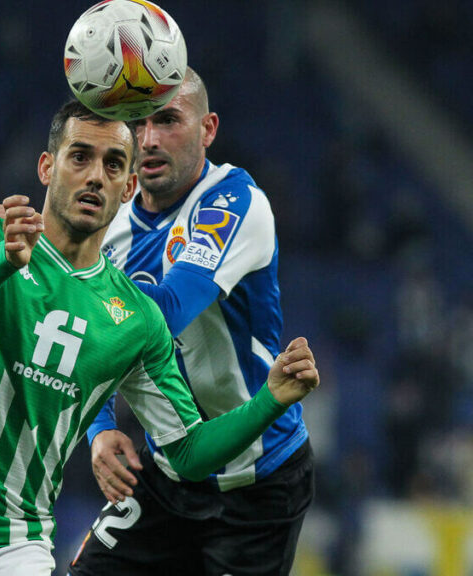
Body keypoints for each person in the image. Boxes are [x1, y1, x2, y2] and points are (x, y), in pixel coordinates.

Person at [0, 100, 321, 576]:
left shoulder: (137, 317)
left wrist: (272, 399)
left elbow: (189, 453)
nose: (95, 176)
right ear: (47, 167)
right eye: (80, 157)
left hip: (9, 549)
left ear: (129, 186)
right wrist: (4, 258)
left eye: (112, 165)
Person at [69, 68, 314, 576]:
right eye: (136, 125)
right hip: (166, 473)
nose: (149, 140)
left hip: (258, 482)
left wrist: (76, 288)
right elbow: (80, 334)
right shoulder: (110, 221)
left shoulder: (234, 202)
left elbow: (169, 311)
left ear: (208, 129)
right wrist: (100, 426)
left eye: (168, 120)